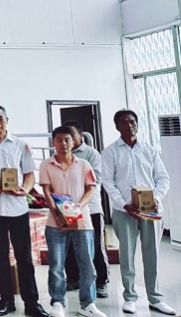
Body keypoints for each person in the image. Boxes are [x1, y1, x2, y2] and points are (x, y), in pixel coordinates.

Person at [0, 105, 49, 317]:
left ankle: (32, 303)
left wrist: (25, 188)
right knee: (1, 257)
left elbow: (29, 173)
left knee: (24, 258)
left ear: (7, 119)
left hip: (17, 208)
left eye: (0, 118)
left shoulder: (20, 144)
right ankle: (6, 300)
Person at [102, 110, 176, 316]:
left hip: (151, 212)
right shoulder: (110, 152)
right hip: (124, 211)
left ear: (138, 124)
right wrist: (125, 204)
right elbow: (107, 182)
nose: (130, 125)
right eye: (124, 122)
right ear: (117, 126)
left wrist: (156, 199)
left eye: (133, 121)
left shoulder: (149, 150)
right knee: (127, 254)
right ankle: (130, 297)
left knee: (152, 254)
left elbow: (163, 178)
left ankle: (155, 298)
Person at [39, 126, 105, 317]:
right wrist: (57, 213)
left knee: (87, 264)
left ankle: (88, 304)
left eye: (67, 139)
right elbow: (47, 191)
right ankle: (58, 302)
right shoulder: (46, 164)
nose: (63, 144)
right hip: (55, 223)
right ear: (53, 142)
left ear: (74, 141)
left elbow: (91, 189)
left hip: (82, 222)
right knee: (57, 265)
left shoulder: (83, 164)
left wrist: (78, 207)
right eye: (59, 140)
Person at [61, 120, 109, 298]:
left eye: (71, 136)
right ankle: (73, 278)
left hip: (91, 208)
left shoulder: (91, 154)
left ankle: (101, 281)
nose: (68, 141)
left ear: (80, 136)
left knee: (95, 246)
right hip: (67, 208)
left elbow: (95, 180)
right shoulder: (61, 154)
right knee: (70, 246)